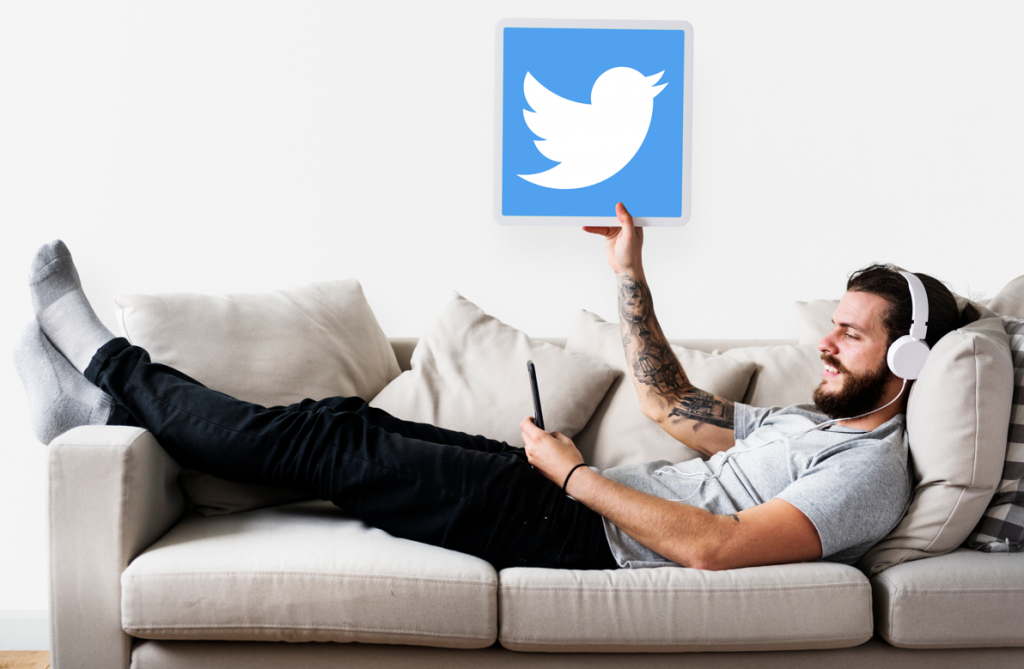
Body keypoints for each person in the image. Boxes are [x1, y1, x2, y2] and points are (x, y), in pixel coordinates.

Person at [14, 203, 977, 572]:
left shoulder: (868, 474)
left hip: (580, 530)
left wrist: (571, 474)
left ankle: (105, 361)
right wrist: (630, 275)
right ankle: (100, 415)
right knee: (341, 422)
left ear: (908, 359)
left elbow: (716, 548)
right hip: (570, 498)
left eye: (850, 334)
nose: (824, 343)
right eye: (832, 324)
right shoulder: (807, 423)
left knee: (338, 446)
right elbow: (667, 403)